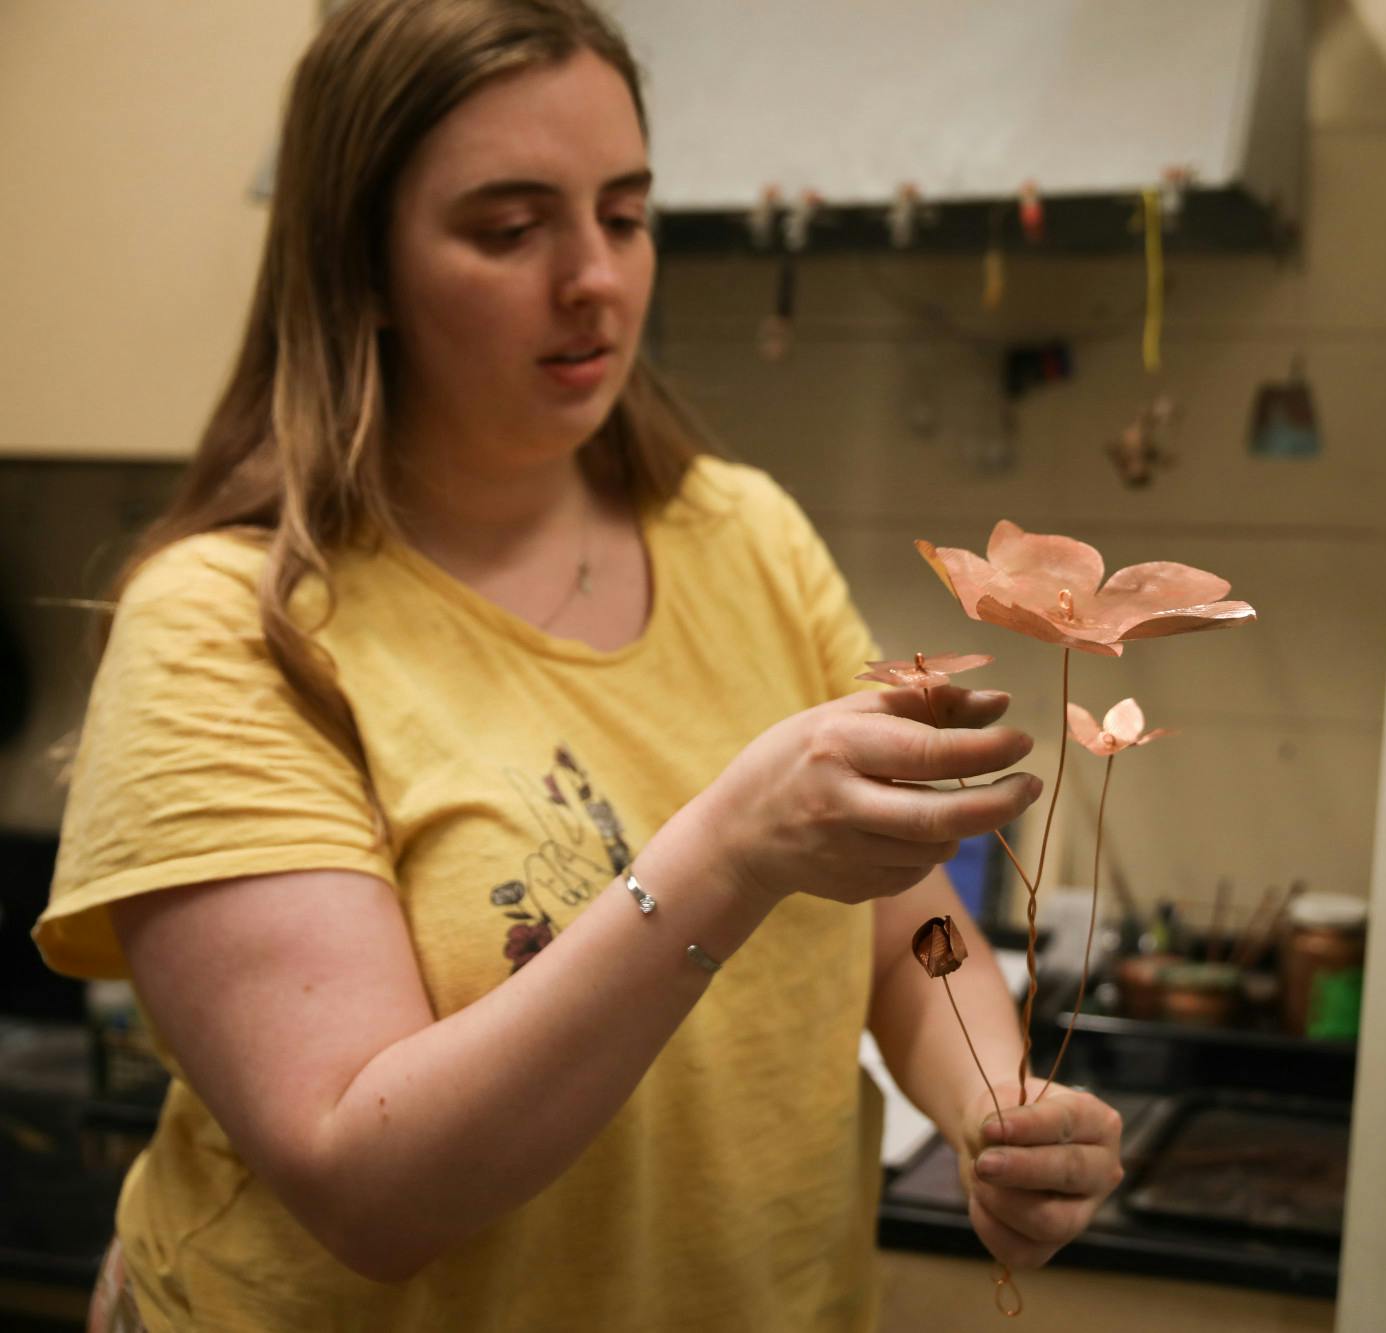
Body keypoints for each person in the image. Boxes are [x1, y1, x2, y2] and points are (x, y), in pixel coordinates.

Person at [33, 2, 1125, 1328]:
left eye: (625, 213)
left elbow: (910, 939)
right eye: (510, 228)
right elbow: (366, 1190)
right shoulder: (225, 625)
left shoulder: (746, 536)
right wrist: (728, 851)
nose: (595, 278)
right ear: (358, 266)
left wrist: (994, 1101)